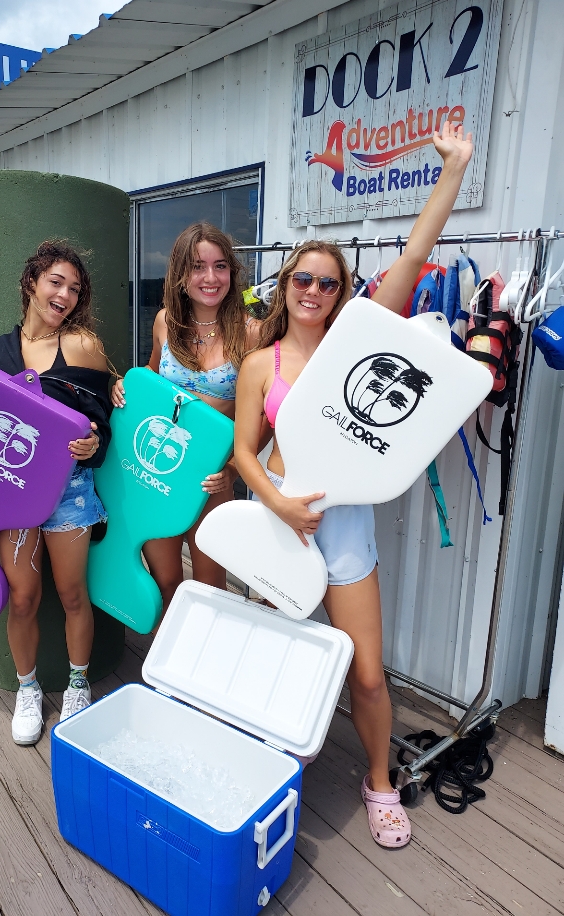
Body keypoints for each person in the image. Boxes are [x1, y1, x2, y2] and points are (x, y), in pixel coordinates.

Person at [233, 122, 473, 848]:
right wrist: (273, 500)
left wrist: (453, 169)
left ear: (342, 293)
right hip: (276, 526)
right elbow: (245, 452)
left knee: (367, 676)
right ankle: (270, 766)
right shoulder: (259, 364)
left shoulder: (358, 341)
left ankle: (378, 782)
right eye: (301, 279)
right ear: (286, 287)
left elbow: (413, 259)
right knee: (276, 662)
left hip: (345, 537)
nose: (311, 290)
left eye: (326, 282)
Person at [0, 241, 113, 746]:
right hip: (11, 495)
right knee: (24, 598)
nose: (65, 295)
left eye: (75, 289)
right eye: (56, 282)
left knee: (75, 594)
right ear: (31, 283)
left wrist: (94, 441)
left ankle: (78, 685)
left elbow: (102, 421)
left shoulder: (82, 348)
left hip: (70, 496)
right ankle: (28, 688)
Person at [111, 222, 260, 614]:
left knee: (213, 588)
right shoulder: (164, 322)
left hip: (211, 477)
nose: (210, 278)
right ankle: (164, 666)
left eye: (220, 266)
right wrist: (121, 388)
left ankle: (208, 666)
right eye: (198, 267)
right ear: (180, 274)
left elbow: (263, 416)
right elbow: (149, 378)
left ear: (232, 272)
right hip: (157, 471)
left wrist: (233, 470)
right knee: (165, 582)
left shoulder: (252, 331)